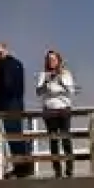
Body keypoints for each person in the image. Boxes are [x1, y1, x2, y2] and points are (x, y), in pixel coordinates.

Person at [0, 42, 31, 177]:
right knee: (17, 136)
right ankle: (24, 166)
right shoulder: (19, 64)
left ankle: (21, 168)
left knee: (11, 138)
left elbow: (6, 85)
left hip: (6, 106)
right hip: (17, 105)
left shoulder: (3, 65)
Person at [36, 49, 78, 177]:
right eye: (49, 59)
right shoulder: (43, 75)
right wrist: (47, 82)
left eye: (53, 59)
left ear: (58, 60)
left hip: (63, 109)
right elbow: (38, 92)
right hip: (50, 110)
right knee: (53, 141)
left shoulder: (66, 74)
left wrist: (60, 82)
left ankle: (69, 168)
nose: (51, 62)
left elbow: (71, 91)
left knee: (66, 139)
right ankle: (57, 170)